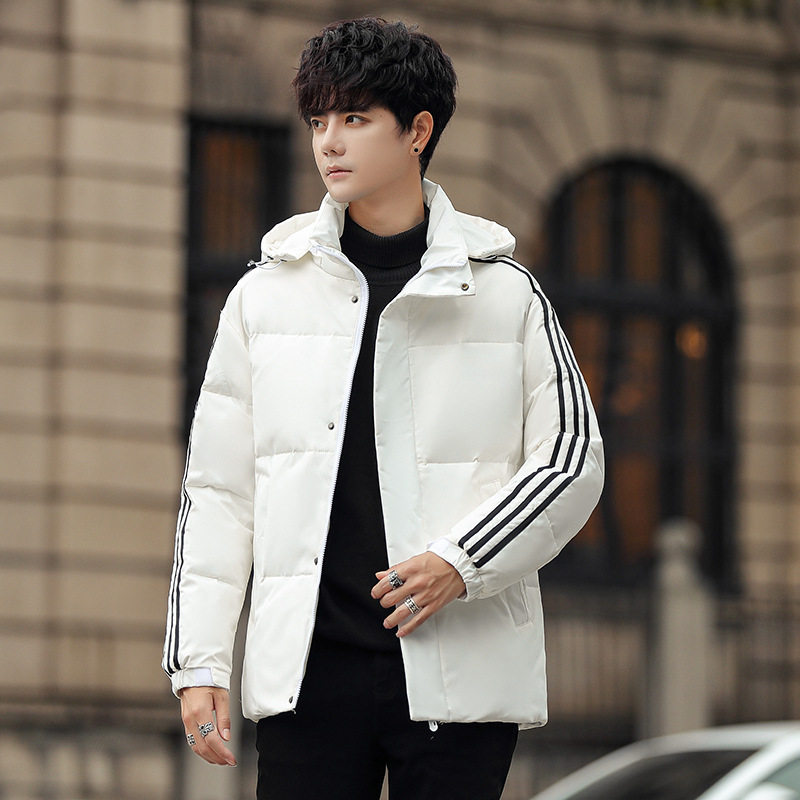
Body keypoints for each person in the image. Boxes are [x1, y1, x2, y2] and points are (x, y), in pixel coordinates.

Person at [163, 16, 604, 800]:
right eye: (318, 122)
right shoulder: (264, 297)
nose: (329, 142)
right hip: (308, 677)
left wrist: (462, 562)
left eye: (355, 118)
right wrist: (198, 661)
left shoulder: (505, 294)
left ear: (417, 131)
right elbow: (219, 493)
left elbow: (572, 460)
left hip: (459, 677)